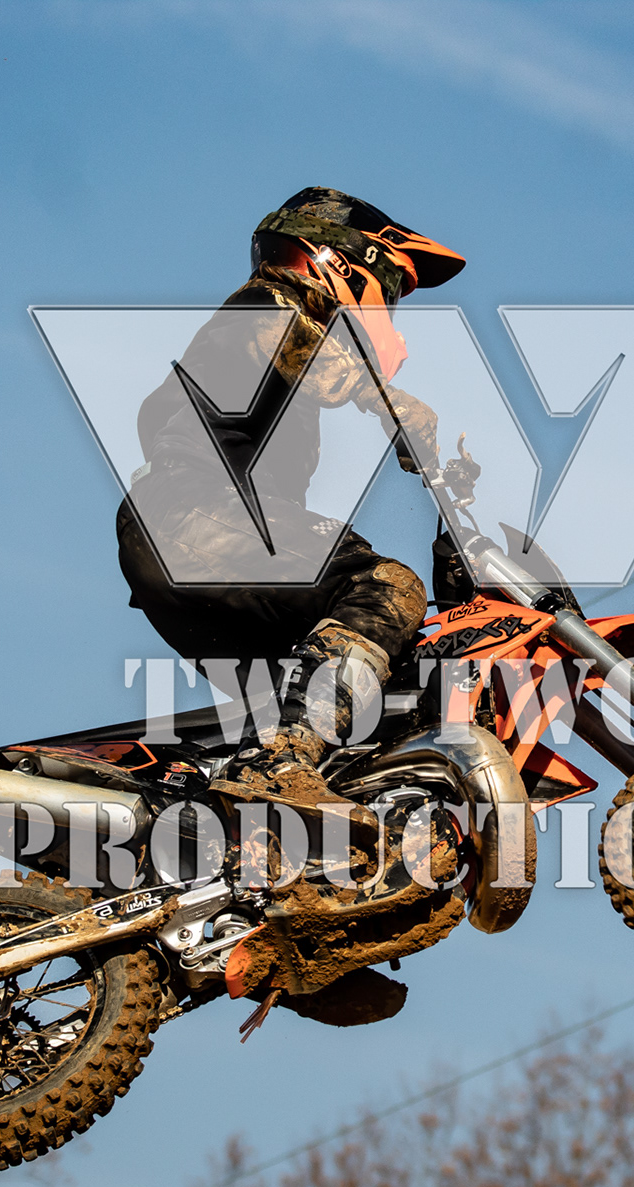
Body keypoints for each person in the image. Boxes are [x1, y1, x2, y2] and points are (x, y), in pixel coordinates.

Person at [117, 187, 465, 805]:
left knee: (363, 695)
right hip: (192, 515)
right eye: (391, 287)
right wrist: (386, 400)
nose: (390, 308)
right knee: (385, 587)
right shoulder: (266, 303)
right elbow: (292, 342)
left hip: (185, 542)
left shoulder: (267, 364)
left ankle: (267, 823)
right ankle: (276, 763)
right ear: (338, 262)